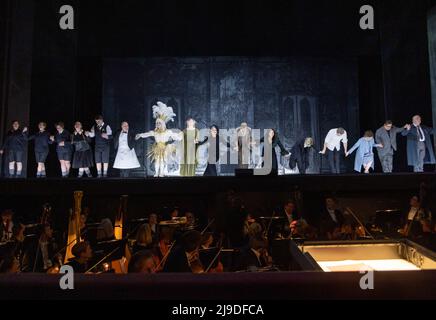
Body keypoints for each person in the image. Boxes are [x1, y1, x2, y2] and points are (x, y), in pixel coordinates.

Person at [135, 102, 181, 177]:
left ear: (163, 124)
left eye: (159, 123)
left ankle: (162, 173)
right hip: (157, 148)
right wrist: (140, 135)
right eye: (157, 123)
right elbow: (147, 134)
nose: (157, 125)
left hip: (165, 148)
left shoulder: (168, 132)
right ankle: (156, 173)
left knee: (163, 161)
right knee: (157, 161)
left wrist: (180, 137)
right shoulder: (155, 132)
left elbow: (174, 135)